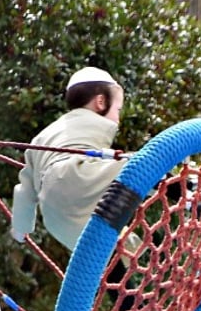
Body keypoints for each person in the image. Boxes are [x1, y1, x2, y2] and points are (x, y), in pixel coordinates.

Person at [11, 66, 127, 250]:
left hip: (55, 217)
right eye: (118, 110)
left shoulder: (42, 136)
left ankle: (117, 270)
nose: (118, 120)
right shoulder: (92, 121)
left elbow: (25, 190)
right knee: (140, 164)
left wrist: (20, 228)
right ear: (101, 102)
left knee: (106, 251)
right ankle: (182, 188)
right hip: (75, 175)